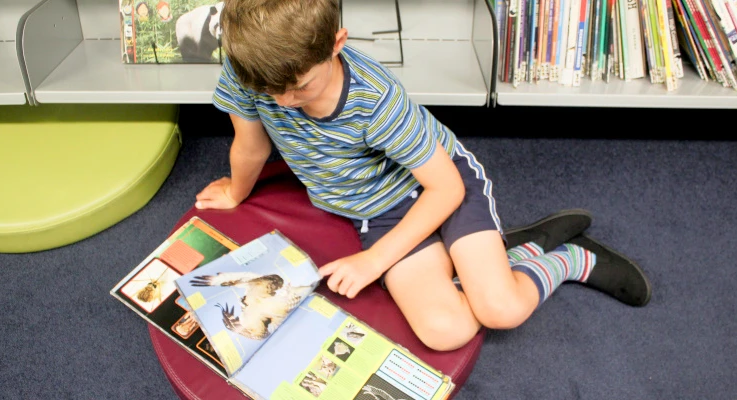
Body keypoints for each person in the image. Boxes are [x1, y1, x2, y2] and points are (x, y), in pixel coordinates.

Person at [195, 0, 651, 351]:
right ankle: (508, 249)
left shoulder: (377, 99)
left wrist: (374, 262)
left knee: (500, 310)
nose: (282, 101)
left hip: (440, 185)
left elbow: (446, 187)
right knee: (445, 330)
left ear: (336, 44)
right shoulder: (251, 67)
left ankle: (571, 258)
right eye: (268, 90)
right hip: (380, 214)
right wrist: (236, 192)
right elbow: (251, 143)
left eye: (299, 87)